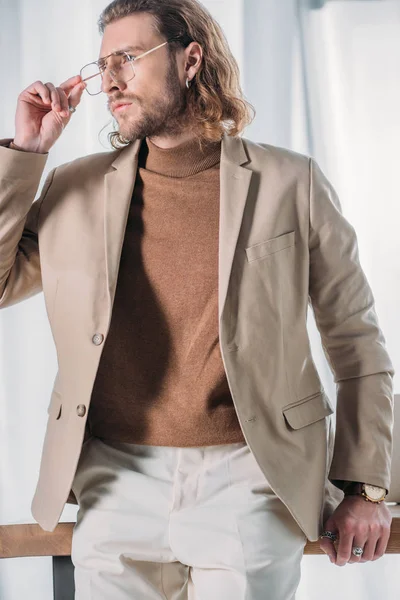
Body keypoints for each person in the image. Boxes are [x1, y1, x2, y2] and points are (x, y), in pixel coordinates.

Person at [0, 0, 394, 598]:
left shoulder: (293, 183)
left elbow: (355, 339)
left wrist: (365, 486)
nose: (108, 80)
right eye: (103, 63)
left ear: (190, 60)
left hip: (250, 478)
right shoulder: (72, 187)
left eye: (127, 59)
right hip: (113, 479)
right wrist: (26, 154)